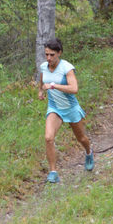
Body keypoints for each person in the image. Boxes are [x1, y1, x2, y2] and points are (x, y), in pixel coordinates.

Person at [37, 37, 94, 183]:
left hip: (70, 108)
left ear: (59, 53)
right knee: (48, 138)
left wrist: (54, 86)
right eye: (47, 54)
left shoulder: (66, 68)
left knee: (82, 139)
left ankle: (88, 152)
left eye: (52, 55)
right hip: (55, 108)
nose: (49, 58)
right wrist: (41, 92)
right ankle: (53, 172)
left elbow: (74, 89)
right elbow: (42, 80)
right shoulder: (44, 66)